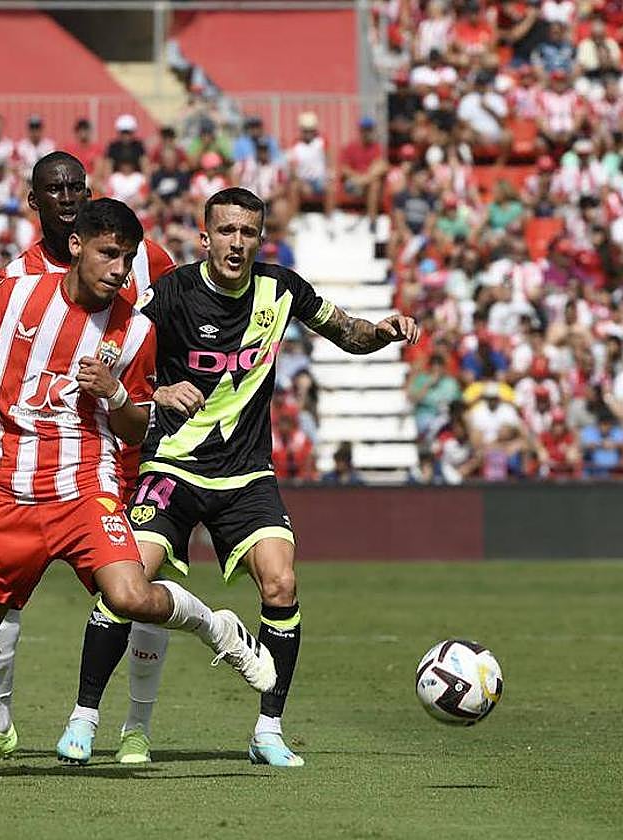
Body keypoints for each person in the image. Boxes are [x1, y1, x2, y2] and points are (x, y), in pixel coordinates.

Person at [49, 188, 419, 768]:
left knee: (281, 584)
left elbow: (349, 333)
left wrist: (386, 330)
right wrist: (155, 392)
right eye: (226, 231)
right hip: (172, 463)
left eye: (248, 232)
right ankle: (84, 716)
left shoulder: (282, 289)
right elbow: (113, 358)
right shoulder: (168, 295)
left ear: (260, 238)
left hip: (247, 475)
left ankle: (268, 729)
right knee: (123, 582)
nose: (237, 243)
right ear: (205, 238)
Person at [0, 199, 273, 782]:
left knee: (131, 596)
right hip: (8, 489)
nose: (119, 269)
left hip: (87, 485)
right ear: (76, 245)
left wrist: (114, 393)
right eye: (109, 253)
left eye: (127, 258)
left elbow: (138, 427)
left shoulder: (134, 330)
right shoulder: (16, 295)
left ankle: (216, 627)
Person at [0, 151, 174, 763]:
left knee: (138, 586)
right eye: (55, 189)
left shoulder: (141, 255)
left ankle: (136, 727)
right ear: (35, 201)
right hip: (35, 463)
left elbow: (169, 332)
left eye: (77, 186)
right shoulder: (16, 280)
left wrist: (168, 391)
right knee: (6, 595)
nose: (68, 195)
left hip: (131, 451)